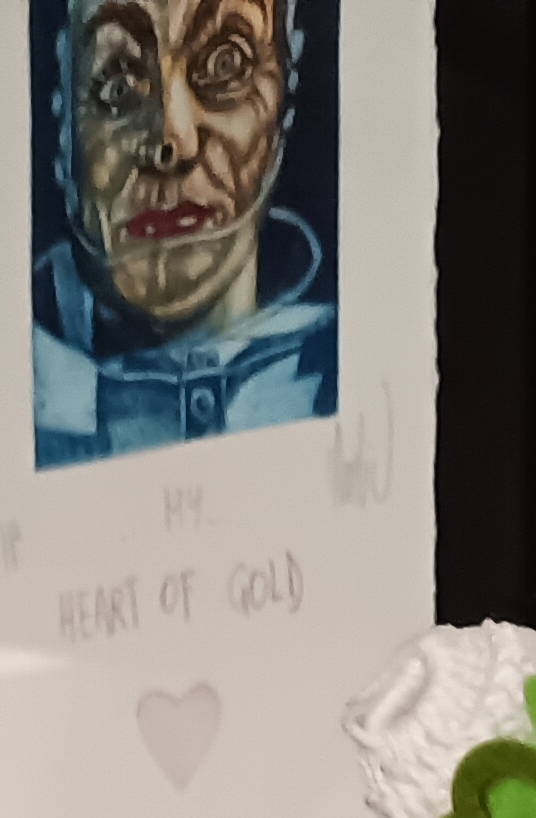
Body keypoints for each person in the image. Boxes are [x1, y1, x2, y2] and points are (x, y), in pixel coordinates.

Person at [34, 0, 335, 469]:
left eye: (225, 66)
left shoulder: (344, 368)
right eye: (116, 86)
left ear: (284, 102)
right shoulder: (11, 395)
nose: (171, 141)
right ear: (64, 131)